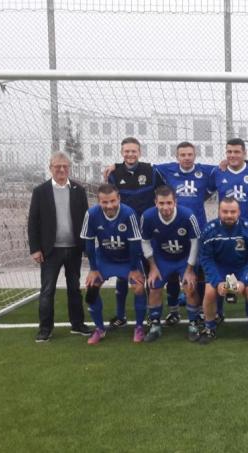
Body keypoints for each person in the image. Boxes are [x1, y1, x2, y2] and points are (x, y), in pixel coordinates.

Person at [27, 151, 91, 342]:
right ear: (51, 168)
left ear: (69, 168)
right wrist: (35, 248)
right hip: (50, 251)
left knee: (74, 288)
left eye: (65, 166)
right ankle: (45, 328)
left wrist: (86, 246)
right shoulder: (40, 191)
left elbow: (86, 220)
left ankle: (77, 324)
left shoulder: (79, 190)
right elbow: (33, 222)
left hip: (73, 249)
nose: (61, 169)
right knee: (47, 290)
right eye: (57, 166)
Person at [106, 137, 166, 330]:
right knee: (124, 273)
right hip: (124, 231)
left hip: (149, 231)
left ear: (139, 152)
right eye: (127, 151)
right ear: (122, 152)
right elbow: (110, 200)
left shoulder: (151, 171)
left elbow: (164, 193)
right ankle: (120, 314)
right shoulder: (114, 174)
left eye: (134, 151)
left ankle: (152, 313)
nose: (130, 154)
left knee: (152, 270)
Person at [155, 142, 215, 325]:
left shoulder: (206, 171)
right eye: (183, 155)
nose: (187, 158)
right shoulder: (166, 170)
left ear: (195, 155)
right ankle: (173, 310)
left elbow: (227, 165)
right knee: (173, 271)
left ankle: (199, 312)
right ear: (177, 156)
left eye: (190, 154)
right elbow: (143, 167)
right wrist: (116, 166)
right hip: (173, 230)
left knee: (197, 270)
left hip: (198, 229)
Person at [209, 138, 248, 323]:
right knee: (219, 270)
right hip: (223, 232)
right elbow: (206, 191)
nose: (232, 155)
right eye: (229, 152)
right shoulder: (218, 172)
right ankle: (217, 313)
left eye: (236, 152)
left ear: (244, 153)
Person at [79, 184, 146, 344]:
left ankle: (139, 327)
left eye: (112, 201)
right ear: (99, 201)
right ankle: (100, 329)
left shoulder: (129, 214)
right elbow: (88, 243)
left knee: (138, 286)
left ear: (119, 199)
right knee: (92, 287)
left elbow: (135, 245)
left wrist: (134, 269)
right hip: (105, 259)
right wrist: (93, 269)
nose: (109, 205)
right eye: (105, 202)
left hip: (127, 260)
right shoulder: (91, 214)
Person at [197, 197, 248, 344]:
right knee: (209, 292)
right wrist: (217, 282)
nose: (229, 215)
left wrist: (244, 281)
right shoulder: (209, 231)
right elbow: (206, 259)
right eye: (225, 211)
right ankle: (209, 327)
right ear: (219, 212)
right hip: (219, 268)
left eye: (232, 212)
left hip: (242, 268)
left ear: (239, 212)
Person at [139, 185, 202, 342]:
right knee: (153, 286)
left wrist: (189, 269)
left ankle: (193, 323)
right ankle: (155, 325)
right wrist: (152, 267)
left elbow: (195, 243)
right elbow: (145, 242)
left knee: (190, 286)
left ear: (175, 202)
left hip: (184, 258)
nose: (165, 207)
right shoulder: (147, 217)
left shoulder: (187, 216)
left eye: (169, 203)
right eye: (161, 203)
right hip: (162, 259)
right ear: (156, 202)